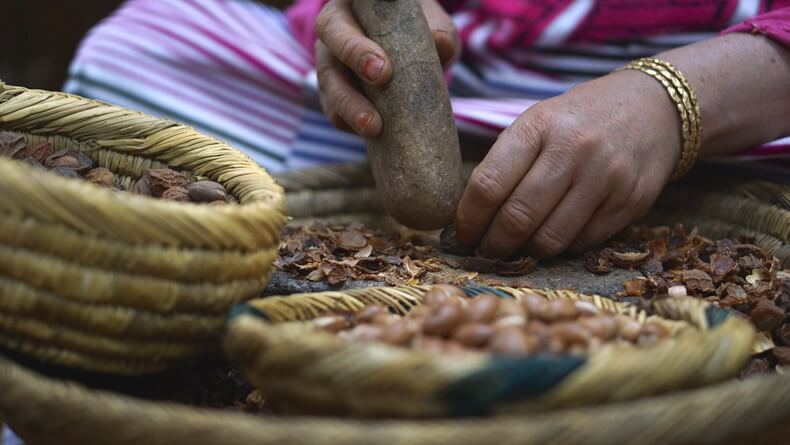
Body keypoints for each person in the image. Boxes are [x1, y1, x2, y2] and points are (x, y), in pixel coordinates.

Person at [63, 0, 790, 260]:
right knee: (141, 50)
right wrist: (354, 24)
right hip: (466, 77)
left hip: (734, 84)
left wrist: (673, 100)